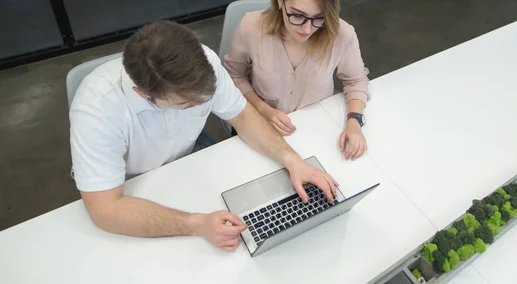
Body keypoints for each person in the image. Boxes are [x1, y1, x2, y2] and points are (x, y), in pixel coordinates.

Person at [69, 20, 338, 252]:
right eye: (187, 104)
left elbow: (242, 116)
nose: (201, 105)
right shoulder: (96, 108)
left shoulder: (204, 61)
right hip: (130, 180)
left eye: (205, 98)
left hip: (188, 155)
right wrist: (195, 224)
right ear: (143, 93)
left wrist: (292, 159)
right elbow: (105, 210)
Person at [224, 0, 369, 161]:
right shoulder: (251, 27)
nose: (307, 29)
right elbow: (233, 77)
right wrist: (264, 110)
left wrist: (354, 121)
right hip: (262, 127)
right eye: (297, 15)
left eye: (318, 18)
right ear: (280, 0)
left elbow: (355, 80)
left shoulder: (342, 34)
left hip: (317, 130)